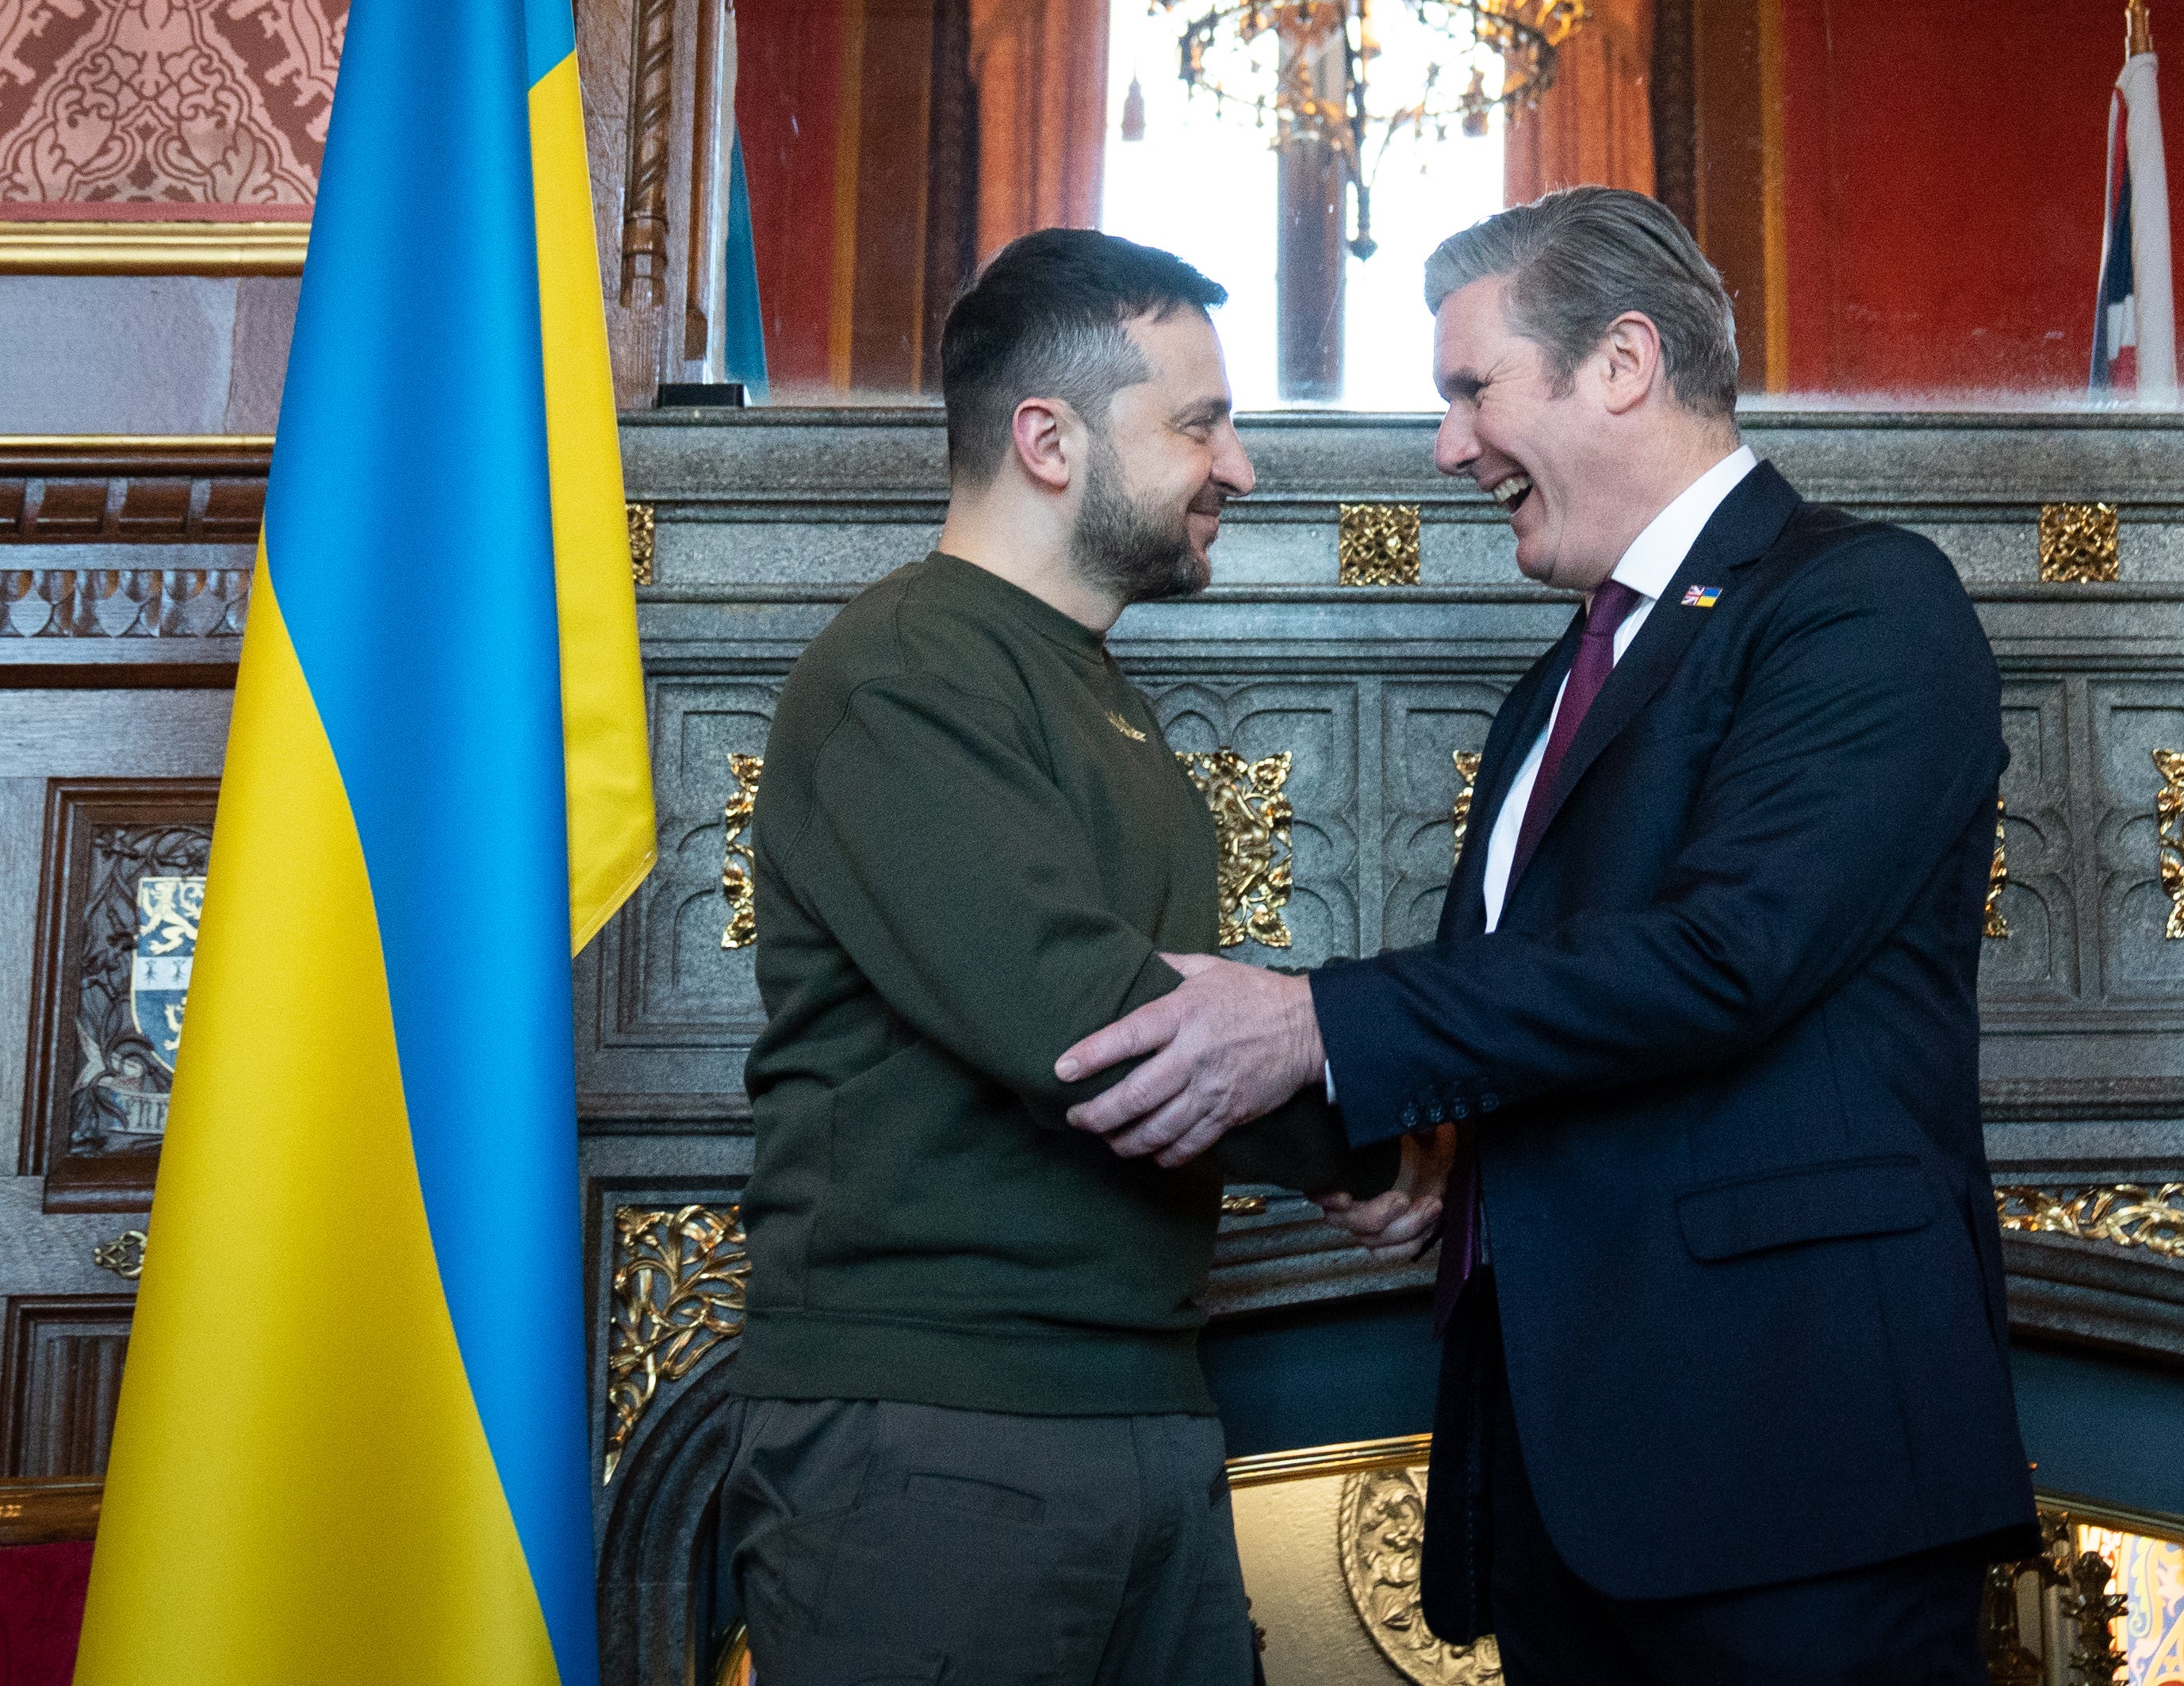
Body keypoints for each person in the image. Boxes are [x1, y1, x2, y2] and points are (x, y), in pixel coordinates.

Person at [1055, 187, 2036, 1681]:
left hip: (1796, 1473)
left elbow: (1729, 958)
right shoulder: (1556, 685)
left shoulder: (1862, 603)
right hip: (1571, 1484)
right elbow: (1565, 1009)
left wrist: (1316, 1020)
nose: (1448, 444)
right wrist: (1455, 1161)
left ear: (1623, 362)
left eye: (1471, 388)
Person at [721, 228, 1395, 1685]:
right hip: (938, 1439)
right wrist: (1384, 1152)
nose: (1241, 467)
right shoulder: (908, 669)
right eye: (1200, 424)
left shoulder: (1096, 695)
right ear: (1047, 438)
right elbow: (1084, 1021)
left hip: (1135, 1409)